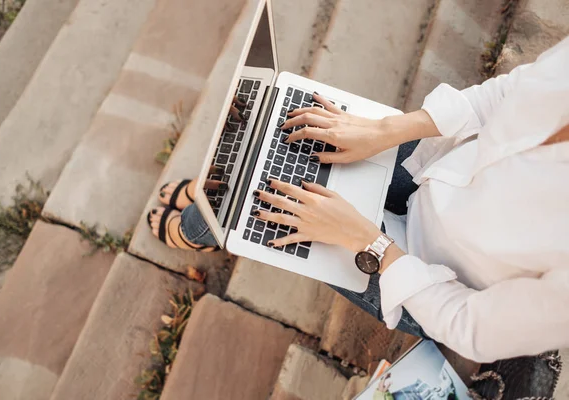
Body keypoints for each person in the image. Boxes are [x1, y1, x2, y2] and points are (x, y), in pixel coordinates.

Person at [148, 37, 569, 363]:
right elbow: (509, 92)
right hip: (435, 170)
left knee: (253, 207)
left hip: (420, 272)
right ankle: (215, 192)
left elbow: (471, 329)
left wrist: (368, 241)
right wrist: (385, 130)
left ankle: (199, 222)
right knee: (289, 136)